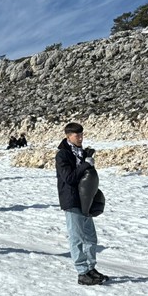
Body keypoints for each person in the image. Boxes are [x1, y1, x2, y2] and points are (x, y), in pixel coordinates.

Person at [56, 122, 109, 286]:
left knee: (90, 237)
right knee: (77, 238)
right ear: (68, 136)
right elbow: (70, 178)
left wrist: (87, 158)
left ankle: (90, 268)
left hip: (85, 200)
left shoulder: (80, 152)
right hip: (72, 200)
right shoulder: (62, 155)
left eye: (81, 135)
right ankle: (82, 272)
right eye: (76, 135)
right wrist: (86, 163)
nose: (80, 138)